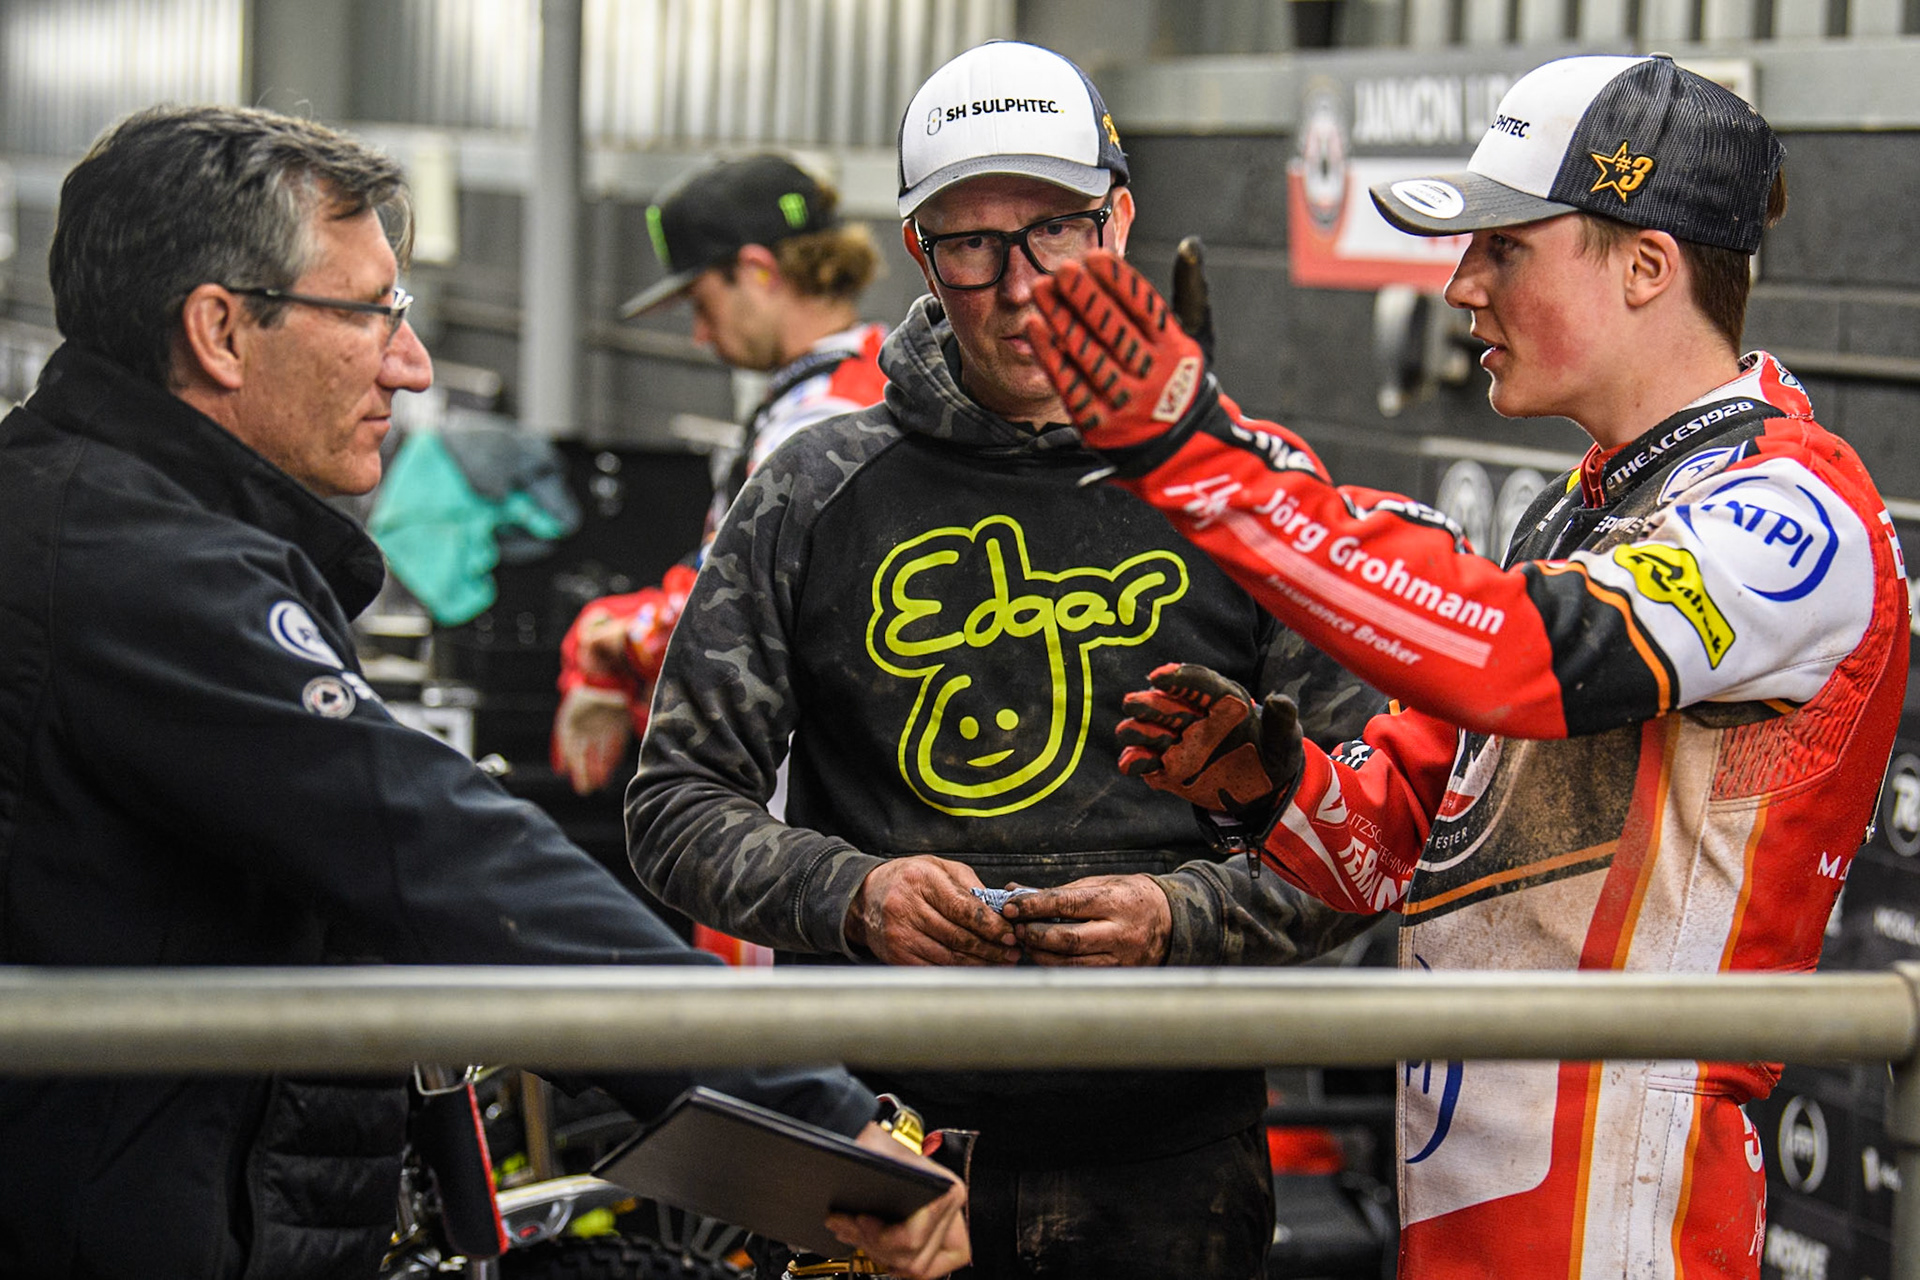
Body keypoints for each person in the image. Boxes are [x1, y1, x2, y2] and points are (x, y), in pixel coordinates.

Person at [0, 105, 965, 1280]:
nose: (409, 364)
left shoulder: (96, 521)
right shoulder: (136, 566)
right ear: (219, 329)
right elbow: (432, 846)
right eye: (371, 313)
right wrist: (809, 1111)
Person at [1026, 54, 1909, 1277]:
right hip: (1467, 1186)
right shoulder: (1575, 517)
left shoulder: (1793, 508)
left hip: (1629, 1213)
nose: (1458, 286)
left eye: (1505, 248)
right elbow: (1401, 842)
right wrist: (1268, 788)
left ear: (1648, 266)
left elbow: (1517, 655)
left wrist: (1210, 462)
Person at [628, 40, 1380, 1279]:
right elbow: (674, 806)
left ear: (1122, 220)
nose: (1021, 284)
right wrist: (851, 894)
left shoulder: (1250, 494)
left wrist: (1180, 916)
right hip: (876, 1142)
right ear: (922, 249)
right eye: (972, 243)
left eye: (1058, 231)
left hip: (1168, 1156)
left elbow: (1368, 831)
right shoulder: (814, 491)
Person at [552, 154, 890, 798]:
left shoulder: (821, 419)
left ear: (758, 271)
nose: (701, 335)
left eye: (701, 303)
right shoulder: (860, 372)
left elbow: (725, 604)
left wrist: (610, 643)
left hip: (816, 794)